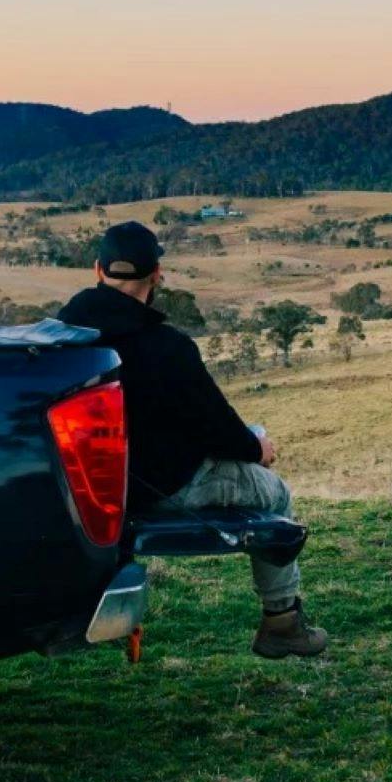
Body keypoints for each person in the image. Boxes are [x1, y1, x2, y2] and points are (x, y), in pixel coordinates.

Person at [57, 221, 328, 658]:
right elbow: (219, 430)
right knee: (276, 495)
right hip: (166, 488)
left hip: (80, 491)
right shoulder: (168, 346)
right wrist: (258, 448)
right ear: (157, 274)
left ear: (97, 270)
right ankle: (282, 623)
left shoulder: (59, 338)